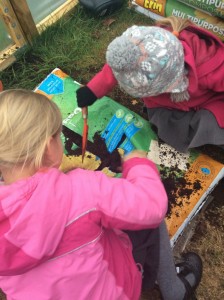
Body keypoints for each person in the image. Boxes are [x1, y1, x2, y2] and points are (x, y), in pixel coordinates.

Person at [0, 89, 202, 300]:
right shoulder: (80, 189)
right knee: (149, 222)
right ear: (49, 147)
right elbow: (151, 205)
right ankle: (175, 290)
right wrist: (138, 165)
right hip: (114, 291)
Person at [76, 16, 224, 153]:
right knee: (167, 126)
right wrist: (92, 90)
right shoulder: (142, 44)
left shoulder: (210, 66)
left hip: (207, 101)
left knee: (211, 124)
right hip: (166, 104)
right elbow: (117, 68)